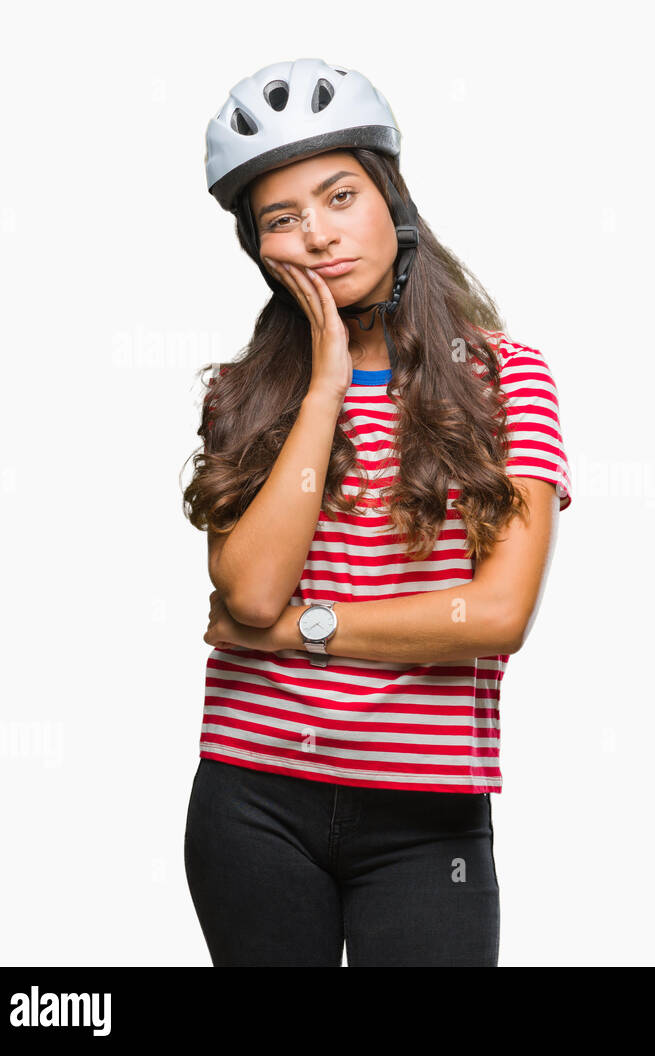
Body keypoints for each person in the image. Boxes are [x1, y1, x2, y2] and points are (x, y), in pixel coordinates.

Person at [180, 57, 572, 967]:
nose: (317, 234)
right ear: (260, 249)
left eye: (340, 196)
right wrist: (322, 388)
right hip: (253, 800)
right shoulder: (245, 396)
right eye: (283, 219)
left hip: (427, 817)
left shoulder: (509, 380)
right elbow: (247, 597)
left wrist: (299, 633)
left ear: (392, 200)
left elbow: (496, 615)